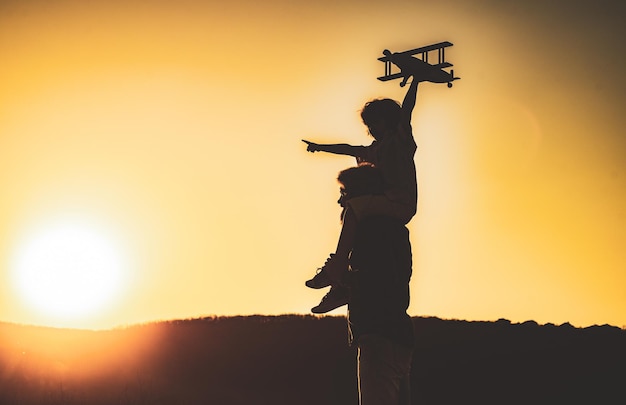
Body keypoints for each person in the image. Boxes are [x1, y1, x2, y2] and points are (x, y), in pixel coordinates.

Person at [303, 76, 419, 313]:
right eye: (369, 125)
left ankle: (336, 268)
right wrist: (320, 147)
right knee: (350, 209)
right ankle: (341, 282)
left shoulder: (399, 142)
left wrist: (415, 80)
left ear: (388, 121)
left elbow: (406, 113)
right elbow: (348, 148)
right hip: (384, 204)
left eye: (375, 123)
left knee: (354, 207)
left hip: (400, 205)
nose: (371, 129)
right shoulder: (373, 150)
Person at [326, 164, 415, 405]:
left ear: (360, 195)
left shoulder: (371, 229)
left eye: (344, 193)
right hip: (396, 335)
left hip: (379, 337)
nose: (340, 202)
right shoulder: (394, 229)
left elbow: (376, 281)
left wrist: (339, 276)